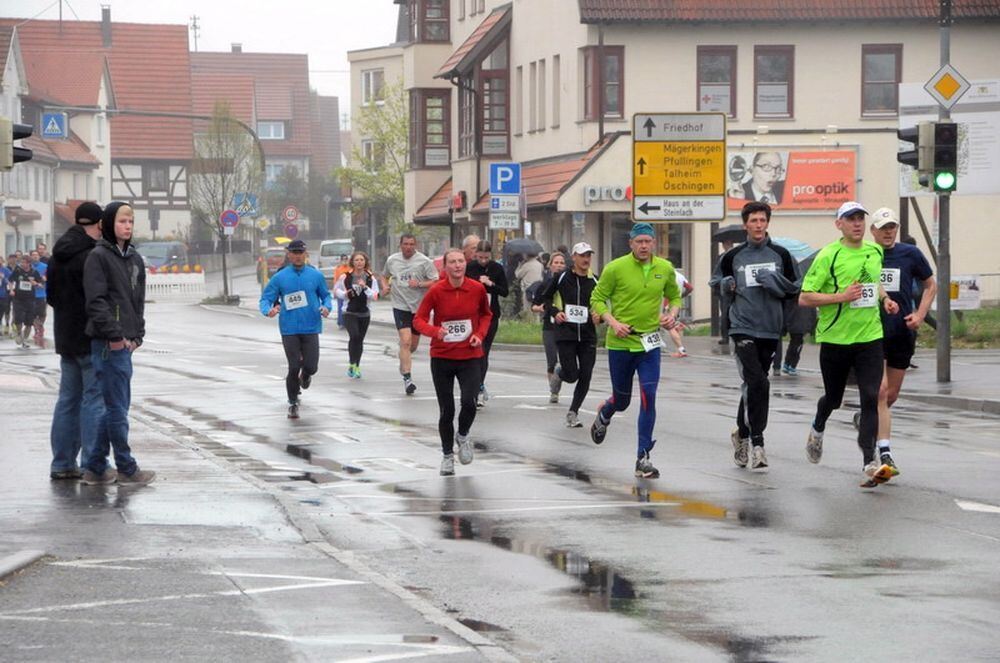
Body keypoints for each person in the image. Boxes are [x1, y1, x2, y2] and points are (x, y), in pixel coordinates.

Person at [799, 202, 900, 488]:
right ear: (839, 224)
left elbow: (873, 280)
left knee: (871, 396)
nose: (856, 224)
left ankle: (869, 460)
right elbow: (805, 297)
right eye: (850, 219)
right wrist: (841, 297)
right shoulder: (828, 256)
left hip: (869, 337)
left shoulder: (874, 251)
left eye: (860, 219)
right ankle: (818, 428)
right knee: (833, 398)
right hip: (835, 339)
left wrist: (885, 299)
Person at [711, 201, 801, 470]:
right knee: (759, 382)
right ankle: (757, 443)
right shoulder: (732, 257)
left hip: (770, 328)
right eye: (753, 221)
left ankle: (742, 433)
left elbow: (796, 288)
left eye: (762, 220)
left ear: (767, 223)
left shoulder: (781, 255)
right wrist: (727, 284)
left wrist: (773, 281)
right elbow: (716, 283)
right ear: (745, 225)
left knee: (754, 385)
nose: (758, 225)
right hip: (742, 327)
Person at [590, 223, 682, 478]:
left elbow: (675, 297)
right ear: (630, 243)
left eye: (648, 241)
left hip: (649, 343)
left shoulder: (664, 268)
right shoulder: (615, 268)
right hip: (620, 343)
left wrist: (671, 315)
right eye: (639, 241)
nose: (643, 246)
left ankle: (643, 456)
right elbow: (596, 299)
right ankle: (605, 413)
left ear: (654, 243)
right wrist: (613, 322)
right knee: (621, 400)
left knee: (648, 395)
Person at [82, 201, 155, 486]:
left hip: (125, 341)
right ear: (110, 223)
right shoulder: (98, 257)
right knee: (117, 407)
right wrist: (114, 336)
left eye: (131, 221)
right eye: (123, 221)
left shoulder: (134, 258)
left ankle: (96, 467)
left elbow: (137, 301)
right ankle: (126, 467)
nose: (127, 226)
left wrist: (138, 335)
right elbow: (96, 302)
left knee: (115, 405)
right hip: (106, 343)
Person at [865, 207, 937, 474]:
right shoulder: (866, 255)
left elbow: (931, 284)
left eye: (892, 227)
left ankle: (868, 418)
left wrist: (920, 315)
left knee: (891, 395)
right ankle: (882, 453)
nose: (888, 232)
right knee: (881, 392)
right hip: (871, 333)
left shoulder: (910, 254)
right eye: (883, 227)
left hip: (902, 332)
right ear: (873, 231)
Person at [413, 248, 493, 476]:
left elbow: (487, 315)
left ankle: (463, 435)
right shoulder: (436, 291)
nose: (458, 265)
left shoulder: (476, 288)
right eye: (453, 262)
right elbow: (418, 320)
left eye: (461, 261)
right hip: (442, 357)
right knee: (446, 410)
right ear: (445, 267)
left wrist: (480, 334)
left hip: (470, 356)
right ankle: (447, 455)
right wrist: (435, 331)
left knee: (469, 402)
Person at [46, 202, 106, 481]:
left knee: (67, 400)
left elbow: (51, 297)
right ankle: (92, 465)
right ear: (99, 223)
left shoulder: (58, 254)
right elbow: (99, 300)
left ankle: (61, 463)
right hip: (90, 336)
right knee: (93, 400)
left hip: (65, 337)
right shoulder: (93, 255)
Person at [259, 239, 331, 419]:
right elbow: (266, 298)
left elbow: (326, 296)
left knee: (311, 366)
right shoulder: (280, 277)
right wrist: (269, 310)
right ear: (289, 254)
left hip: (311, 326)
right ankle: (292, 403)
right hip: (289, 328)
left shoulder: (315, 275)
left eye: (301, 253)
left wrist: (326, 307)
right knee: (293, 366)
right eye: (295, 253)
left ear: (305, 254)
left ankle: (306, 376)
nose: (298, 256)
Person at [537, 243, 599, 427]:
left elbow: (603, 303)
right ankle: (560, 372)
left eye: (588, 255)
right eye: (582, 255)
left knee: (586, 374)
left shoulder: (595, 280)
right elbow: (545, 299)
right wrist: (555, 312)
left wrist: (600, 316)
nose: (586, 259)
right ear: (574, 257)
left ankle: (573, 412)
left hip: (587, 334)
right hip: (566, 333)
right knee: (572, 375)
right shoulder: (561, 277)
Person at [380, 234, 440, 396]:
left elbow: (436, 280)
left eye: (411, 244)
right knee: (405, 341)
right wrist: (385, 287)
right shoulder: (393, 260)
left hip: (418, 308)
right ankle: (408, 378)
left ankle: (403, 359)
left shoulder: (424, 261)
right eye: (405, 244)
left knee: (411, 346)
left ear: (416, 245)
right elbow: (383, 276)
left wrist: (420, 283)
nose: (408, 247)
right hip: (400, 306)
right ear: (400, 245)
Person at [465, 239, 509, 407]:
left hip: (490, 315)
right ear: (476, 255)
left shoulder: (497, 268)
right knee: (474, 351)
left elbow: (505, 291)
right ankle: (473, 386)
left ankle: (478, 387)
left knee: (483, 351)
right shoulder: (470, 268)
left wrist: (491, 284)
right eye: (480, 257)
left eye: (486, 257)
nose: (483, 261)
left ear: (491, 255)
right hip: (472, 315)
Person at [335, 251, 379, 379]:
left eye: (362, 260)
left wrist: (365, 288)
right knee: (354, 335)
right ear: (352, 262)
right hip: (349, 311)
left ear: (365, 262)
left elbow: (375, 296)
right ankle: (352, 363)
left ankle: (356, 366)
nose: (359, 262)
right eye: (357, 260)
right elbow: (336, 290)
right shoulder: (346, 277)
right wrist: (344, 294)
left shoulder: (370, 278)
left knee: (359, 339)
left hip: (364, 312)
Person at [532, 252, 566, 403]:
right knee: (552, 360)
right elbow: (534, 305)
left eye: (561, 263)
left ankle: (558, 378)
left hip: (566, 326)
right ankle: (554, 391)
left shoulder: (569, 283)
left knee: (565, 361)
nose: (559, 265)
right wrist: (539, 308)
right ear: (550, 265)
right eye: (556, 262)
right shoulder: (544, 285)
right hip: (549, 326)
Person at [9, 255, 41, 349]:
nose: (22, 264)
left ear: (28, 263)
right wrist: (11, 290)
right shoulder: (18, 271)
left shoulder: (34, 272)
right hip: (18, 299)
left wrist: (36, 283)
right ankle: (19, 334)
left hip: (30, 299)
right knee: (18, 319)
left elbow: (40, 284)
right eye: (21, 262)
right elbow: (10, 281)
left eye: (24, 262)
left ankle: (25, 340)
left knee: (29, 322)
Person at [779, 298, 817, 376]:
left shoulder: (792, 292)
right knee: (798, 344)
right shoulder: (807, 293)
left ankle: (787, 364)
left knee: (793, 342)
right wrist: (811, 326)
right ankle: (792, 366)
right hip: (801, 322)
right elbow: (812, 311)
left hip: (792, 321)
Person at [668, 270, 694, 357]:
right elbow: (690, 288)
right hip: (676, 303)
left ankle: (681, 349)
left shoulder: (664, 273)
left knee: (669, 326)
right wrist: (681, 296)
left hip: (666, 303)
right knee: (671, 324)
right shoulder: (680, 275)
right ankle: (677, 325)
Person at [30, 249, 48, 347]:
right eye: (33, 255)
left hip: (42, 294)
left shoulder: (45, 266)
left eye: (36, 255)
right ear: (30, 257)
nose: (35, 256)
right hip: (30, 294)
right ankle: (37, 329)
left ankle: (40, 326)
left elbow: (50, 276)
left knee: (42, 314)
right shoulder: (28, 267)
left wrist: (45, 279)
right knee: (32, 314)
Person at [333, 254, 352, 329]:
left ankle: (348, 323)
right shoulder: (338, 269)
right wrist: (335, 291)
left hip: (348, 289)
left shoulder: (350, 268)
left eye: (346, 259)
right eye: (343, 259)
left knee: (348, 307)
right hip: (340, 290)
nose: (345, 261)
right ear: (341, 260)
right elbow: (336, 280)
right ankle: (341, 322)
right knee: (340, 306)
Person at [0, 255, 12, 337]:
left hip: (3, 294)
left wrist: (3, 278)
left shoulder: (6, 270)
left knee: (2, 312)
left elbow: (10, 282)